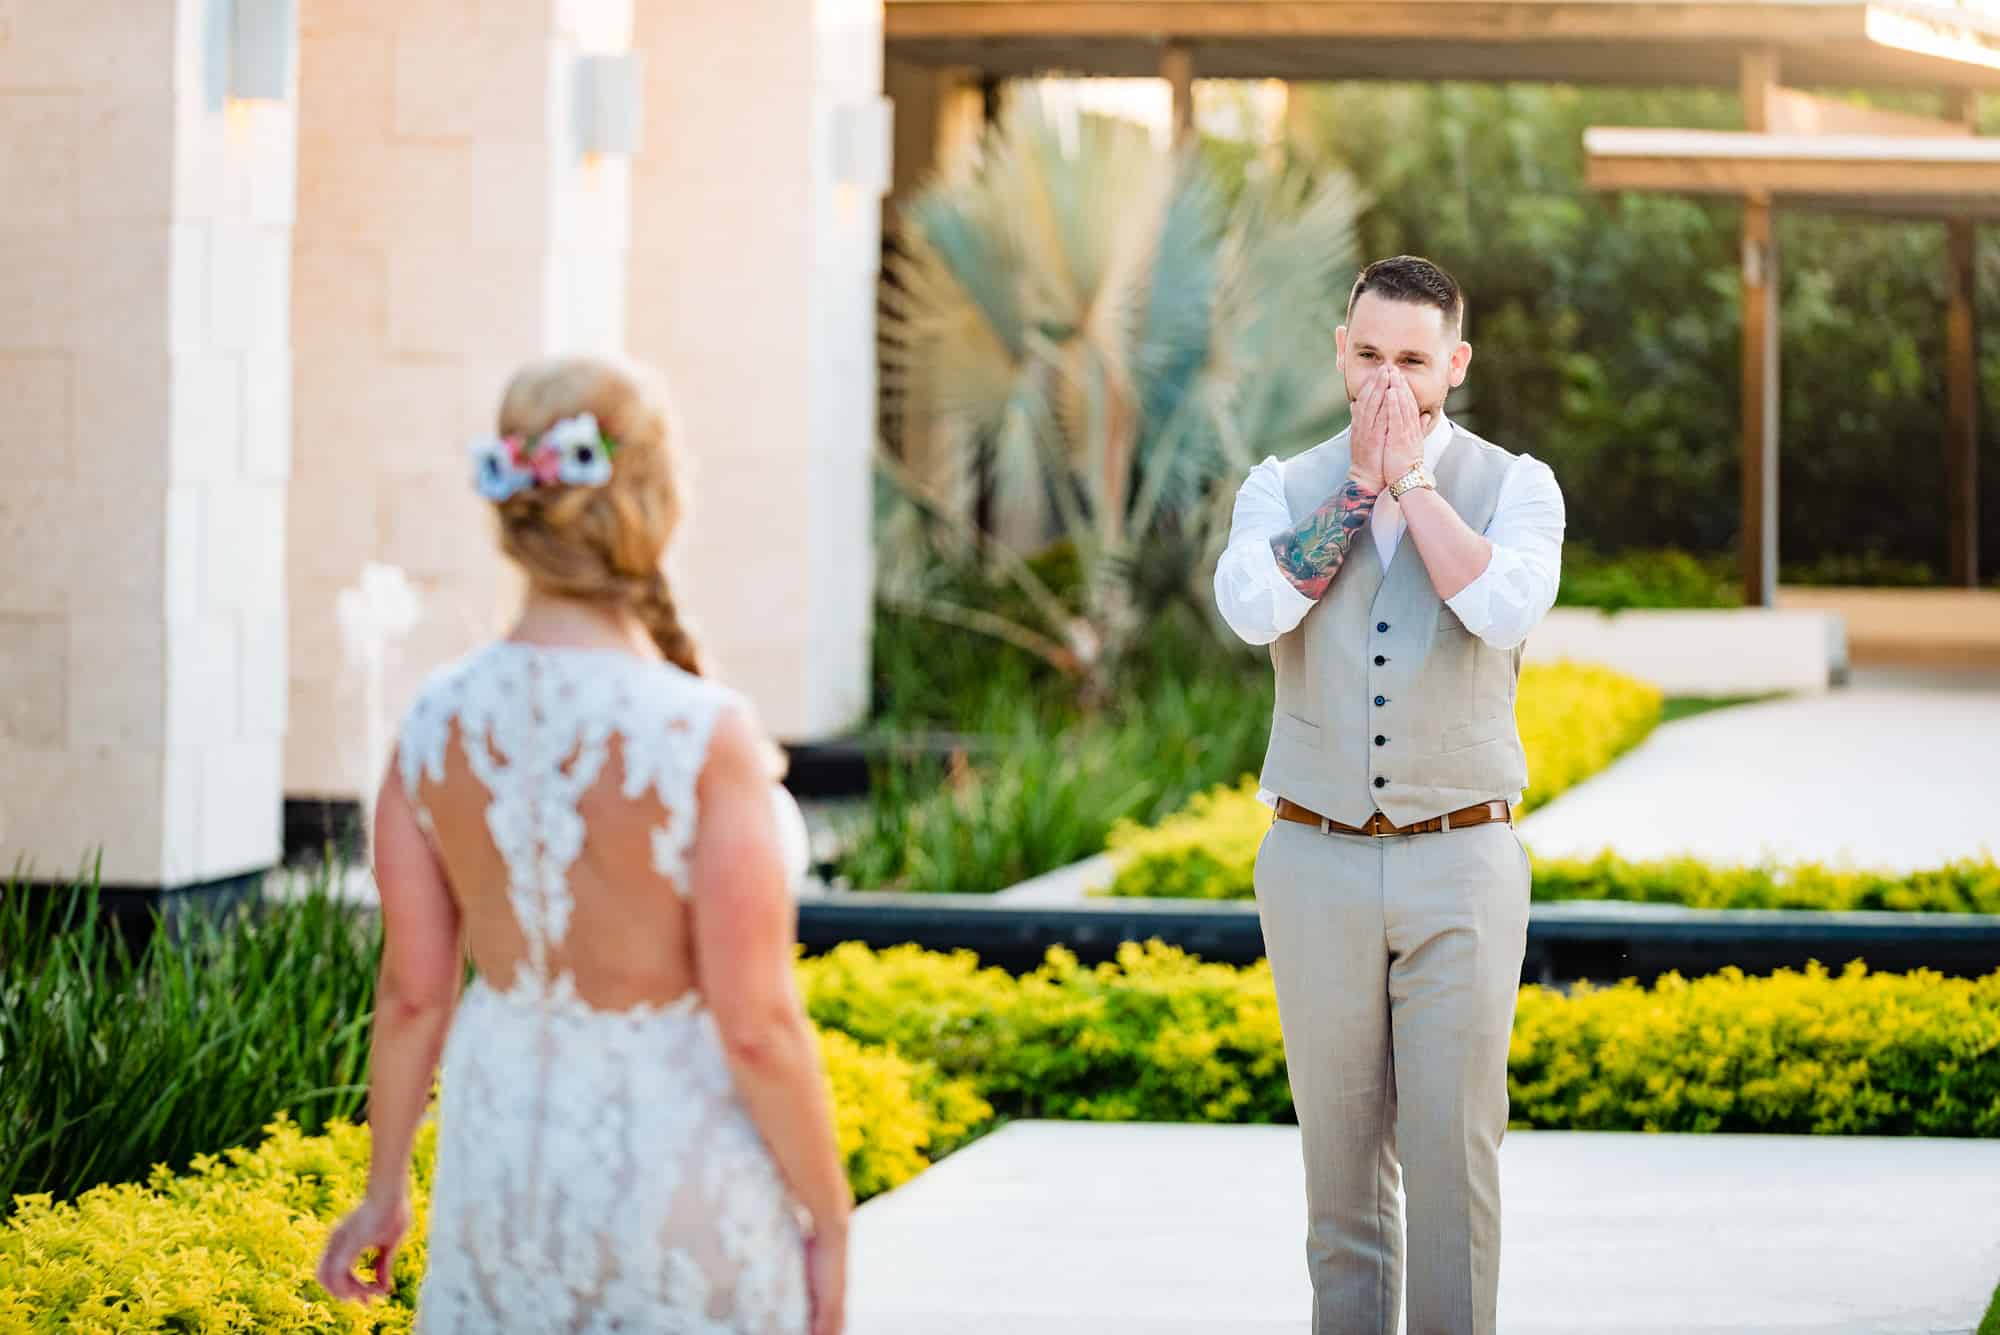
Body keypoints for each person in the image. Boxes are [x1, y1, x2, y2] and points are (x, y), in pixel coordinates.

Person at [314, 355, 850, 1334]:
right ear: (657, 501)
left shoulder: (434, 725)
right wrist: (830, 1217)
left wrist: (384, 1191)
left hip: (500, 1170)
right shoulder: (699, 733)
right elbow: (756, 1024)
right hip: (675, 1173)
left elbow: (412, 996)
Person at [1213, 255, 1566, 1335]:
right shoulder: (1281, 484)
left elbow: (1501, 611)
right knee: (1338, 1175)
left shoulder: (1516, 486)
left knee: (1454, 1164)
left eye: (1411, 360)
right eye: (1366, 354)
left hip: (1459, 855)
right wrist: (1359, 488)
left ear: (1453, 364)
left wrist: (1410, 485)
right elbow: (1253, 608)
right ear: (1339, 349)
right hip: (1313, 856)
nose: (1385, 380)